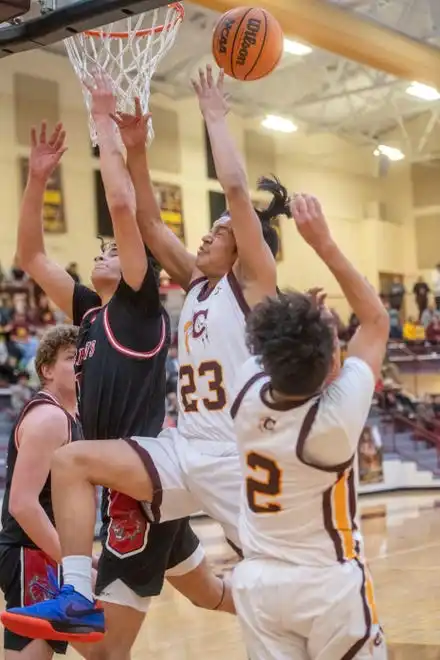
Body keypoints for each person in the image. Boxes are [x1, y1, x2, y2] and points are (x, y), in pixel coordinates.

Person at [1, 64, 291, 641]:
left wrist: (214, 117)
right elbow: (152, 221)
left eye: (220, 230)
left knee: (283, 577)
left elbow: (234, 193)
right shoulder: (196, 284)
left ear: (245, 243)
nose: (207, 235)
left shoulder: (253, 284)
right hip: (181, 448)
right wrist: (136, 149)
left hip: (234, 458)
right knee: (71, 461)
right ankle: (77, 594)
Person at [230, 193, 389, 660]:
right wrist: (323, 243)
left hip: (258, 585)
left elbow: (273, 345)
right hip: (327, 586)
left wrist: (308, 331)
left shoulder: (244, 390)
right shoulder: (334, 423)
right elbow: (376, 321)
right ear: (329, 366)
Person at [0, 325, 85, 659]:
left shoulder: (72, 416)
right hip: (29, 552)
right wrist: (72, 560)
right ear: (46, 370)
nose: (79, 363)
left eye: (82, 357)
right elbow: (22, 504)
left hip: (45, 550)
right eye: (69, 357)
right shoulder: (49, 417)